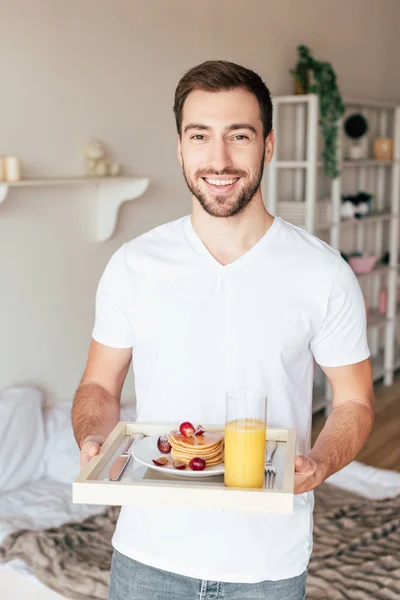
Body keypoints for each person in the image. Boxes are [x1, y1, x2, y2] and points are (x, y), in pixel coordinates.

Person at [72, 60, 374, 600]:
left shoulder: (323, 272)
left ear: (269, 145)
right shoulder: (133, 265)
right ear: (180, 147)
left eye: (239, 135)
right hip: (147, 555)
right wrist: (94, 438)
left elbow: (354, 402)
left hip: (267, 564)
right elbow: (99, 387)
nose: (219, 159)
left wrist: (322, 463)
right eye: (200, 136)